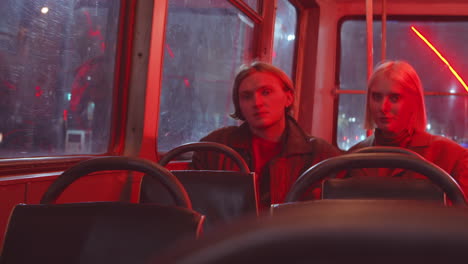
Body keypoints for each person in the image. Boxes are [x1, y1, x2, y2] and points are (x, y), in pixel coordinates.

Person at [191, 61, 341, 208]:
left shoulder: (321, 154)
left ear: (288, 98)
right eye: (247, 96)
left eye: (266, 92)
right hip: (232, 232)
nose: (257, 102)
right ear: (239, 105)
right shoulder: (214, 149)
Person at [348, 60, 467, 192]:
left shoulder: (451, 157)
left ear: (414, 102)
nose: (383, 107)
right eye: (377, 97)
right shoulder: (353, 157)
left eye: (394, 98)